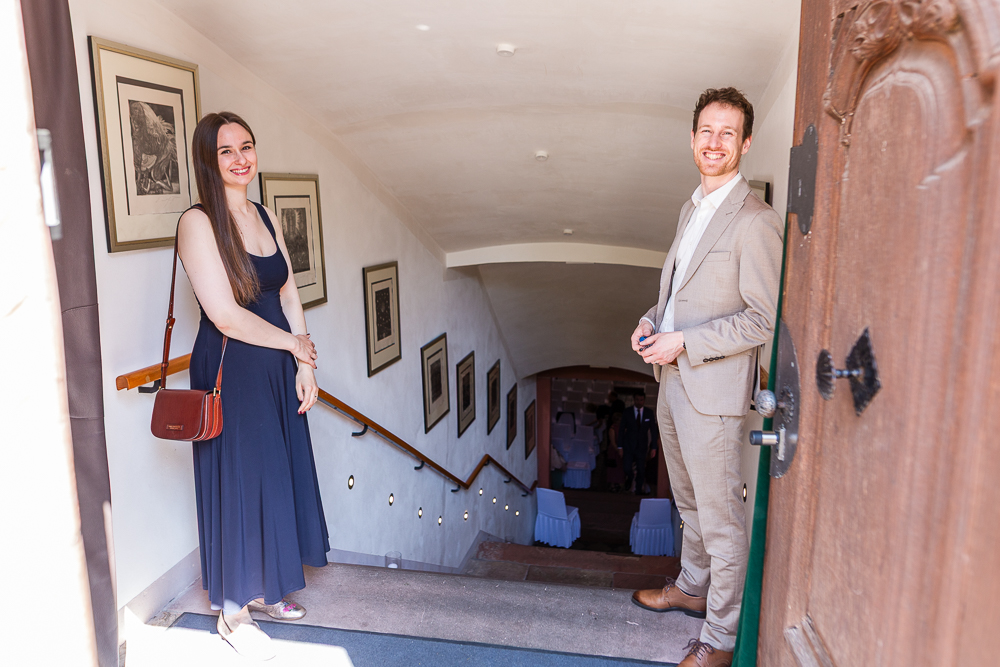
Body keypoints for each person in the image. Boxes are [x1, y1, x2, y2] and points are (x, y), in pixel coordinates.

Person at [628, 88, 783, 667]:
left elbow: (761, 320)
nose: (715, 143)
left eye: (728, 133)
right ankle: (692, 588)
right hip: (672, 381)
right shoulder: (691, 208)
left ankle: (719, 640)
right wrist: (651, 321)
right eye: (706, 131)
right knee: (688, 501)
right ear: (692, 138)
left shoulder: (757, 222)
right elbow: (679, 294)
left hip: (713, 391)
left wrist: (686, 341)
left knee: (721, 521)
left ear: (746, 143)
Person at [177, 111, 330, 660]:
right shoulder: (198, 222)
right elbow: (225, 315)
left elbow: (288, 292)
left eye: (247, 146)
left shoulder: (264, 214)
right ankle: (233, 612)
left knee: (275, 476)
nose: (241, 159)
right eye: (226, 151)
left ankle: (265, 589)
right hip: (232, 365)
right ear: (208, 159)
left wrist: (304, 362)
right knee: (240, 481)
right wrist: (294, 346)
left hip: (277, 363)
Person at [618, 391, 657, 496]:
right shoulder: (627, 412)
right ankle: (630, 478)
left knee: (641, 469)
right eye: (637, 400)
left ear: (644, 400)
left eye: (641, 400)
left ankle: (638, 490)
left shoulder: (648, 412)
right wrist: (620, 446)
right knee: (626, 467)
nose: (639, 402)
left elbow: (653, 431)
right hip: (628, 445)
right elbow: (621, 430)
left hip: (642, 446)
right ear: (634, 400)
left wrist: (654, 447)